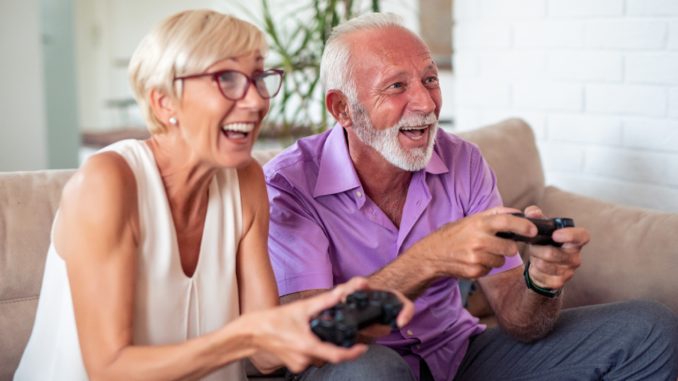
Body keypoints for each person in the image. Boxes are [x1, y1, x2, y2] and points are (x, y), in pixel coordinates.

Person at [263, 12, 678, 381]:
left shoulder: (462, 160)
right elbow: (314, 335)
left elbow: (519, 320)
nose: (426, 103)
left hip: (457, 355)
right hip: (353, 364)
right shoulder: (289, 184)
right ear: (343, 109)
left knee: (648, 328)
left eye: (430, 79)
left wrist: (542, 284)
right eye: (396, 86)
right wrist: (430, 259)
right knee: (375, 370)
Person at [14, 10, 413, 381]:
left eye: (258, 79)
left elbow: (265, 356)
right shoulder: (109, 182)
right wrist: (246, 335)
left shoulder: (246, 182)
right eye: (227, 78)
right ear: (164, 100)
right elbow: (109, 368)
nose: (257, 100)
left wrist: (328, 316)